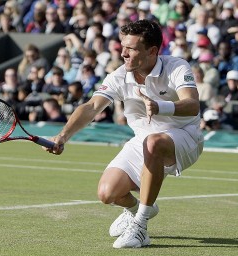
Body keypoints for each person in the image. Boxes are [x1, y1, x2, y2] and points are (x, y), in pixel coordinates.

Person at [42, 20, 204, 248]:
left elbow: (192, 104)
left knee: (154, 142)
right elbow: (91, 107)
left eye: (131, 48)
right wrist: (62, 136)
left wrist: (161, 106)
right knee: (107, 193)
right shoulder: (118, 76)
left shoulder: (177, 66)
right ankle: (138, 209)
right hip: (143, 141)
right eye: (122, 46)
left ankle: (140, 227)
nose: (123, 53)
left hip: (185, 136)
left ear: (152, 51)